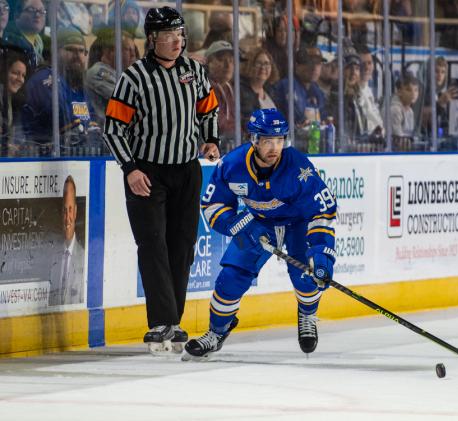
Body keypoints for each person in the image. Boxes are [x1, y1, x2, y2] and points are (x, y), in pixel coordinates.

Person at [102, 7, 221, 354]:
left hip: (187, 170)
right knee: (153, 244)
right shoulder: (134, 77)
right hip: (147, 173)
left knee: (182, 247)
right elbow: (113, 128)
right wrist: (130, 169)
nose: (175, 40)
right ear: (152, 38)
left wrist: (210, 138)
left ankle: (174, 321)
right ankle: (161, 322)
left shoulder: (194, 71)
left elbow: (208, 108)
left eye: (179, 34)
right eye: (168, 34)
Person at [183, 108, 337, 361]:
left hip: (297, 223)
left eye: (279, 140)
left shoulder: (299, 167)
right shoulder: (232, 165)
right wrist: (238, 225)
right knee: (230, 278)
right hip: (257, 223)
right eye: (267, 141)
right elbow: (212, 206)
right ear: (254, 140)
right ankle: (216, 332)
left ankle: (307, 314)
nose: (274, 147)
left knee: (307, 276)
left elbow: (322, 210)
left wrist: (322, 254)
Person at [21, 27, 99, 153]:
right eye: (70, 49)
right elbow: (62, 120)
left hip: (75, 157)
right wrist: (86, 131)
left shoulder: (79, 87)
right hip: (41, 160)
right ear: (55, 52)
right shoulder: (46, 79)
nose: (77, 55)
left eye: (81, 51)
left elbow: (93, 123)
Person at [85, 29, 136, 127]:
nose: (133, 55)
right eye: (127, 49)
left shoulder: (120, 75)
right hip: (101, 135)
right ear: (110, 51)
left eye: (133, 50)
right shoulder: (98, 73)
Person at [48, 175, 85, 306]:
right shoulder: (52, 256)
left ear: (75, 211)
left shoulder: (84, 258)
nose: (67, 217)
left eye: (70, 210)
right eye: (64, 210)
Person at [239, 47, 278, 135]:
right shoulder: (243, 91)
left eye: (267, 64)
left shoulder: (270, 91)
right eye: (258, 63)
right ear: (249, 65)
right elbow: (248, 124)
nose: (263, 67)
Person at [205, 40, 235, 148]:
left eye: (231, 60)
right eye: (221, 59)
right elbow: (217, 123)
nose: (228, 65)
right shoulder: (205, 88)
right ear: (208, 62)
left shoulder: (231, 88)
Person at [4, 0, 49, 70]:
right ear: (17, 15)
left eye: (42, 11)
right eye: (31, 10)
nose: (37, 15)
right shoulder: (9, 41)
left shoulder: (39, 41)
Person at [0, 49, 27, 156]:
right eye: (15, 73)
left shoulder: (11, 99)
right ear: (3, 72)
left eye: (23, 75)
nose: (20, 79)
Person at [391, 72, 419, 150]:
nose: (413, 94)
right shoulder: (395, 110)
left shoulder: (410, 111)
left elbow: (410, 136)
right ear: (399, 91)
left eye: (416, 90)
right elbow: (399, 140)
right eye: (408, 90)